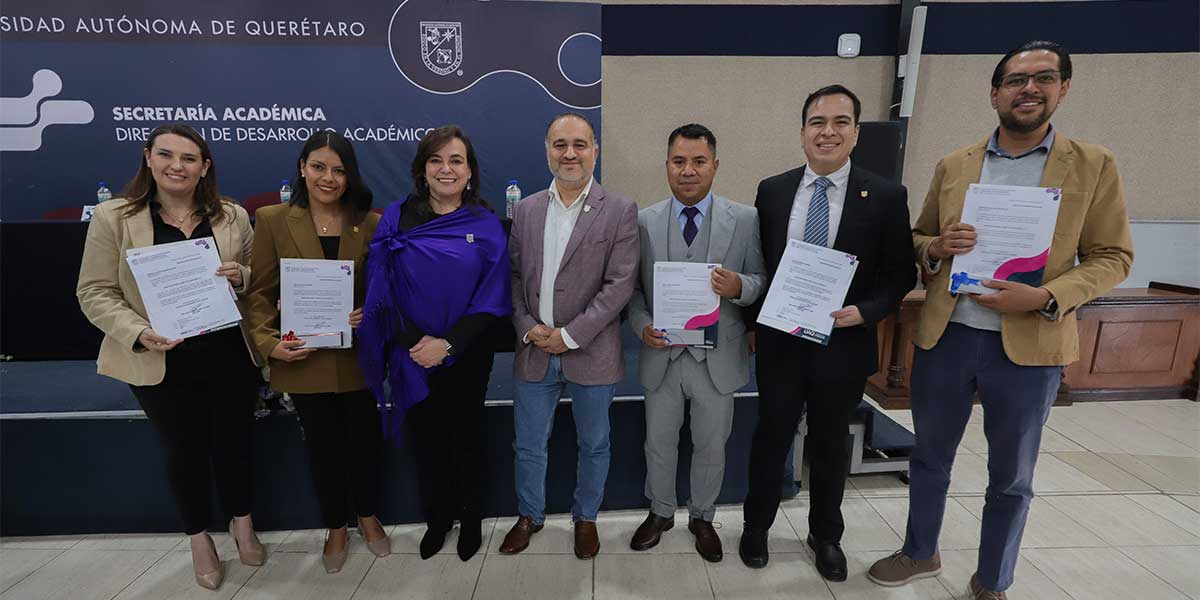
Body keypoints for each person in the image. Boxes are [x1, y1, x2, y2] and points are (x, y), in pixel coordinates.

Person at [867, 41, 1133, 600]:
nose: (1029, 88)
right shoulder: (956, 164)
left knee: (1011, 474)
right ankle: (920, 551)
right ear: (995, 94)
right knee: (929, 456)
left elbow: (1113, 256)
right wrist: (935, 247)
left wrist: (1046, 296)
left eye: (1043, 78)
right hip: (947, 337)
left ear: (1063, 88)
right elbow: (918, 238)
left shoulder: (1093, 164)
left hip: (1030, 346)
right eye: (1015, 80)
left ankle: (993, 579)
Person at [77, 123, 265, 591]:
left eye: (188, 158)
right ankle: (199, 538)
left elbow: (259, 276)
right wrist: (138, 331)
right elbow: (94, 291)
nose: (176, 166)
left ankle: (243, 523)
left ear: (205, 167)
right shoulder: (114, 216)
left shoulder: (232, 215)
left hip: (229, 352)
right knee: (184, 451)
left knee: (235, 443)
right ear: (148, 157)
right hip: (160, 359)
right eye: (166, 155)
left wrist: (240, 276)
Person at [740, 85, 916, 581]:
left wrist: (866, 311)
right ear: (802, 133)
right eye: (817, 122)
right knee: (771, 437)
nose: (828, 132)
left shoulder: (886, 196)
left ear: (856, 133)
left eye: (840, 122)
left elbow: (900, 274)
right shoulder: (773, 191)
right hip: (781, 344)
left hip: (843, 344)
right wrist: (753, 325)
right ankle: (756, 527)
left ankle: (826, 535)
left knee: (830, 445)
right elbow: (761, 265)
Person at [357, 125, 512, 562]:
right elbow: (380, 289)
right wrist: (416, 343)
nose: (446, 169)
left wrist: (448, 345)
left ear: (470, 171)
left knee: (466, 437)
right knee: (426, 439)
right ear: (422, 169)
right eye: (436, 160)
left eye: (456, 160)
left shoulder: (485, 223)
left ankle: (471, 519)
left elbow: (493, 296)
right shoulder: (396, 217)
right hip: (411, 354)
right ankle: (437, 520)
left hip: (467, 353)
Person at [244, 130, 389, 574]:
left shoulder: (372, 222)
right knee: (323, 450)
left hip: (357, 359)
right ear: (302, 168)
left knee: (364, 444)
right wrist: (269, 344)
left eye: (339, 170)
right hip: (302, 360)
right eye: (319, 167)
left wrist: (370, 313)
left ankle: (368, 515)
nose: (329, 178)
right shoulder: (272, 219)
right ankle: (336, 526)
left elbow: (386, 292)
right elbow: (259, 294)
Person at [499, 112, 639, 559]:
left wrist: (571, 336)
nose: (570, 153)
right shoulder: (525, 210)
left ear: (595, 150)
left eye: (579, 144)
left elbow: (619, 286)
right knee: (528, 444)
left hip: (592, 350)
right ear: (547, 152)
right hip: (535, 349)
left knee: (594, 444)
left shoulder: (620, 210)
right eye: (560, 145)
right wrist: (528, 327)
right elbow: (513, 277)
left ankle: (586, 517)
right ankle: (530, 515)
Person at [626, 123, 765, 562]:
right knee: (658, 442)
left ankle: (703, 516)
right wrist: (642, 325)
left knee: (710, 445)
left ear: (715, 165)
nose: (688, 170)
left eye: (699, 161)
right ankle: (661, 511)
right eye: (679, 161)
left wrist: (739, 286)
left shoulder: (745, 219)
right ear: (666, 165)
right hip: (662, 355)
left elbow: (761, 280)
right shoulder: (643, 221)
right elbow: (632, 292)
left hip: (717, 357)